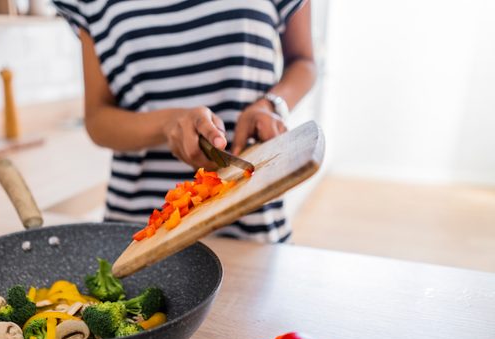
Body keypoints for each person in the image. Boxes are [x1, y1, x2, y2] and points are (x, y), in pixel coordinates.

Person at [53, 0, 316, 242]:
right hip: (139, 225)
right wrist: (168, 123)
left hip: (252, 221)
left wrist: (270, 104)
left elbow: (304, 62)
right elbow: (98, 118)